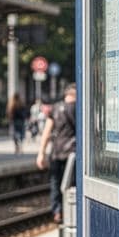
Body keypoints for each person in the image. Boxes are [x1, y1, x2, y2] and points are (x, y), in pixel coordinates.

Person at [37, 84, 77, 223]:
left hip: (56, 153)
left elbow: (47, 132)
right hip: (73, 154)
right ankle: (71, 212)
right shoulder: (80, 107)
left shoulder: (55, 108)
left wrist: (41, 153)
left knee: (55, 183)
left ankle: (57, 212)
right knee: (71, 185)